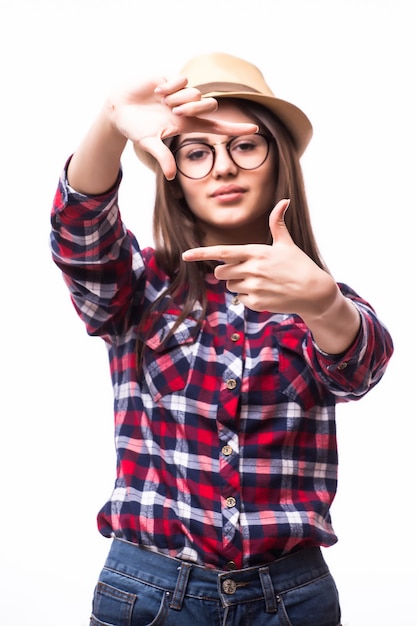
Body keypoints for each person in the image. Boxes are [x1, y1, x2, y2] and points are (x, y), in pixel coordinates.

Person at [50, 51, 393, 626]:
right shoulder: (137, 287)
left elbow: (359, 364)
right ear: (173, 176)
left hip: (291, 597)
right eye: (196, 153)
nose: (224, 167)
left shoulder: (317, 298)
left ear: (276, 160)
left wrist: (322, 302)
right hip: (149, 592)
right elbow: (79, 233)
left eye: (244, 145)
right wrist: (111, 121)